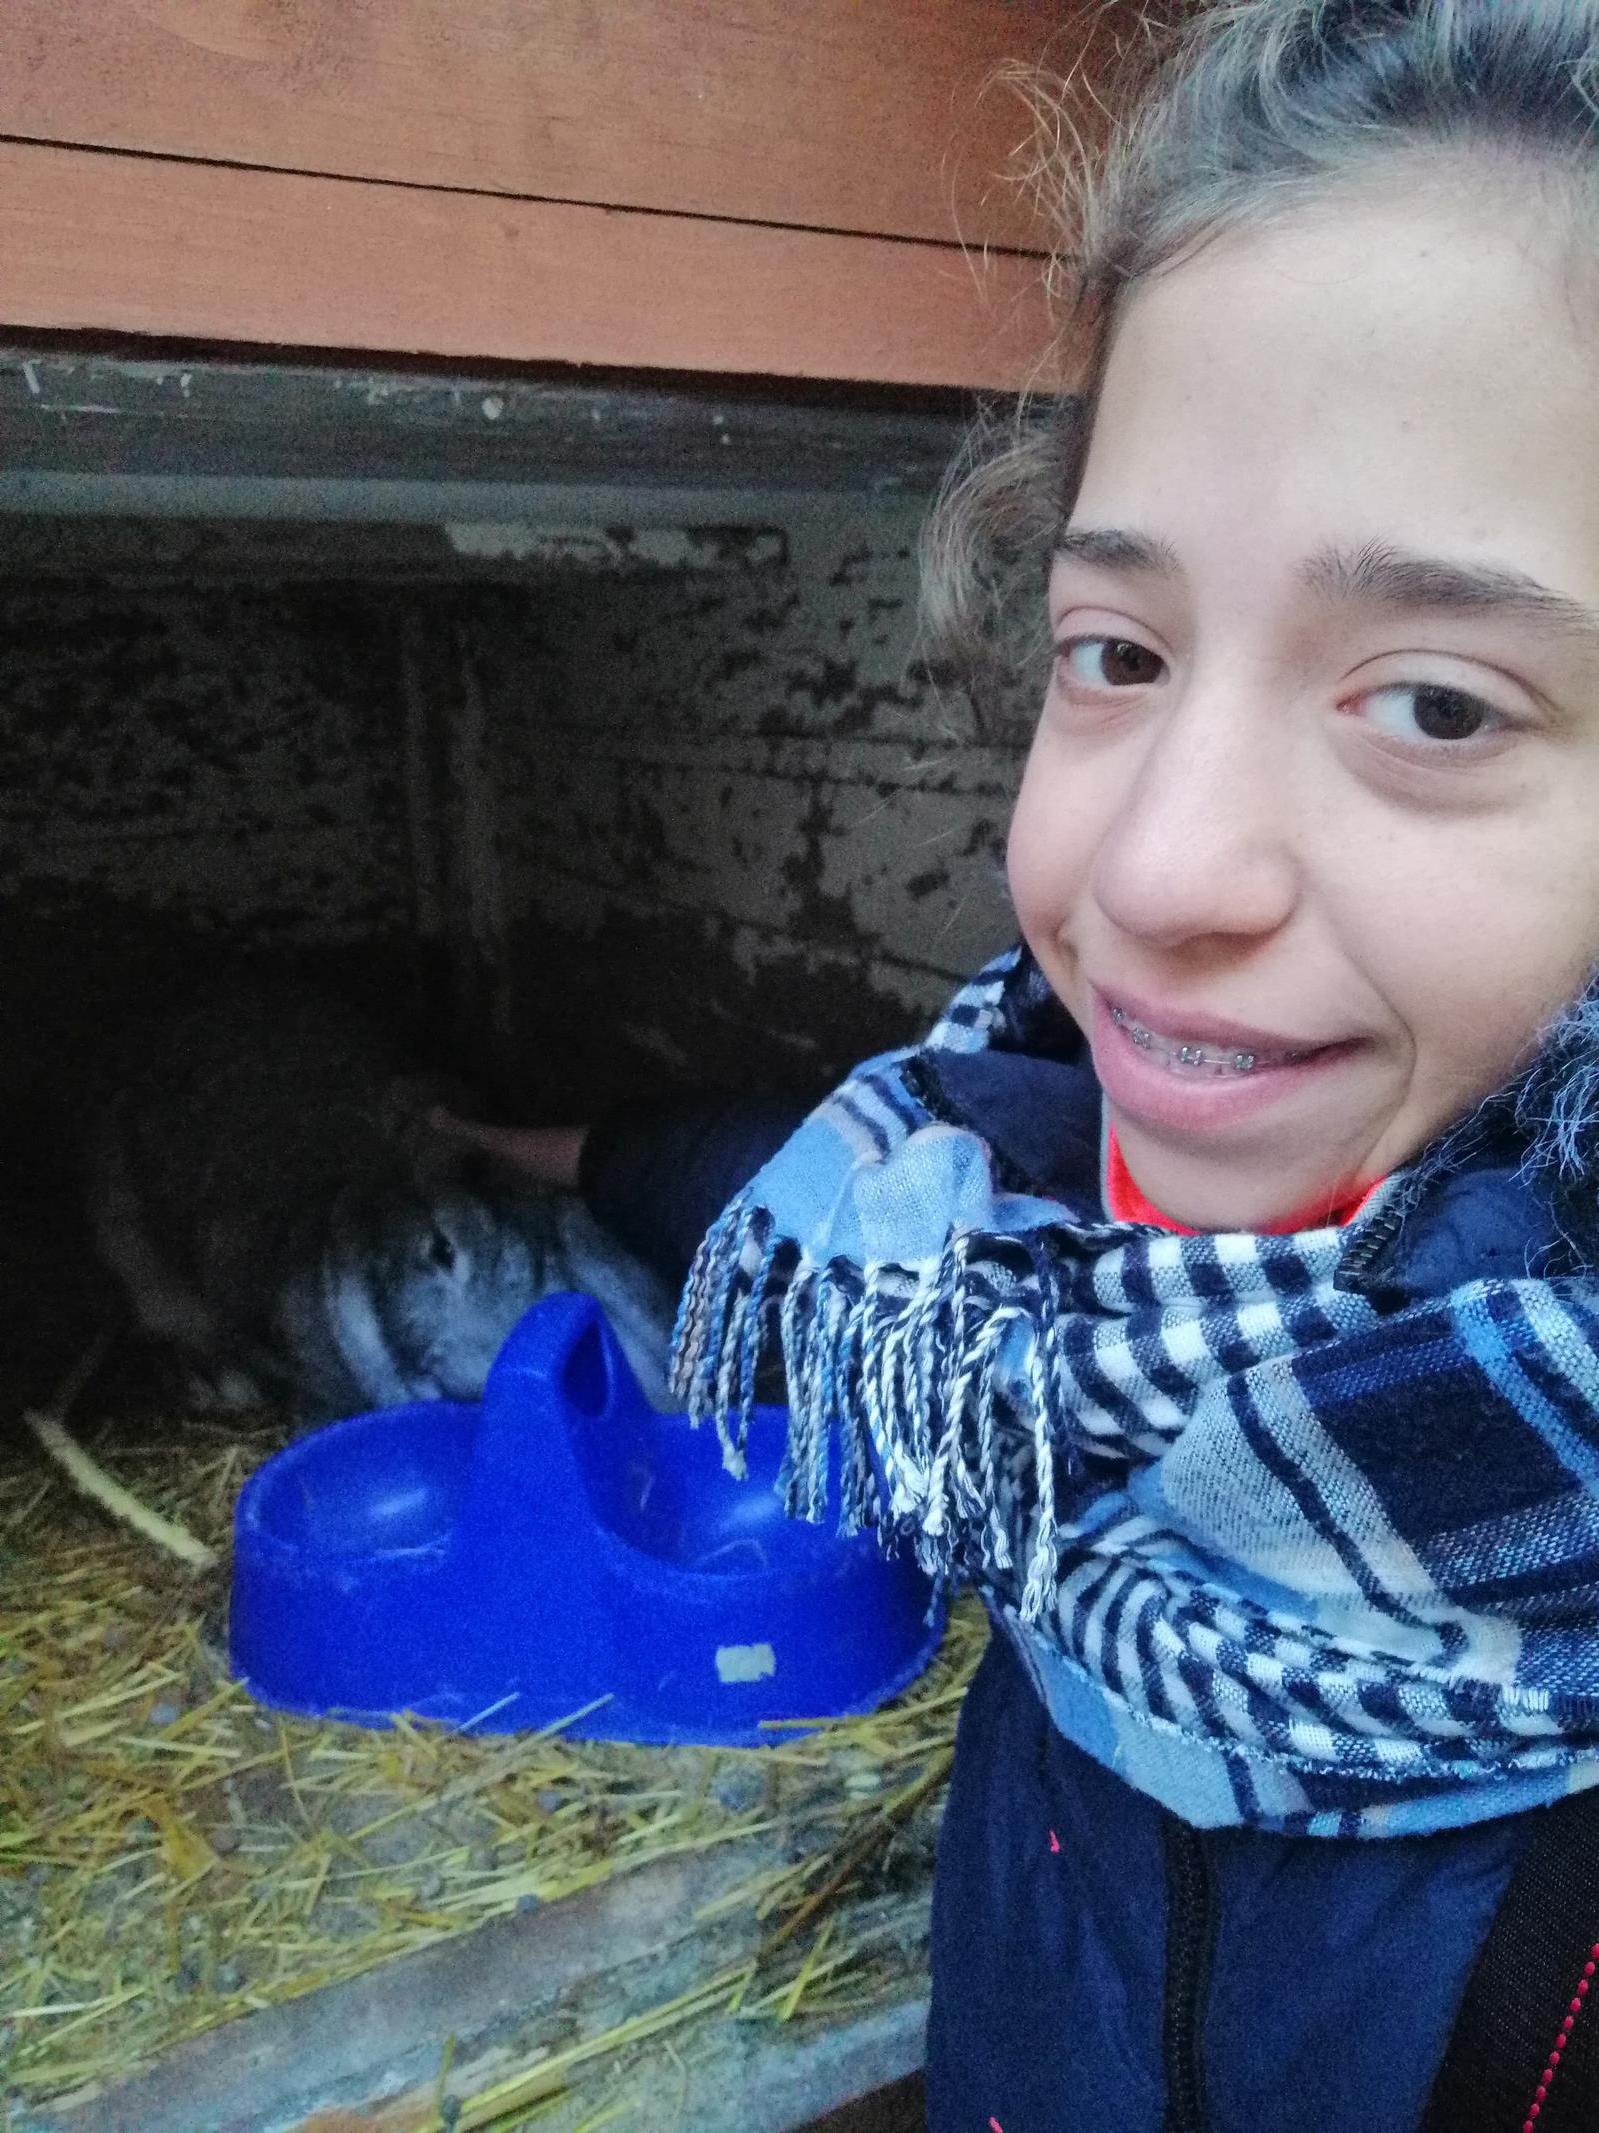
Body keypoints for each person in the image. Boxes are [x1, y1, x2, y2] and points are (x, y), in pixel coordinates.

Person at [453, 5, 1599, 2123]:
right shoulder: (1010, 1284)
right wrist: (502, 1143)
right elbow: (772, 1168)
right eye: (1118, 652)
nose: (1151, 869)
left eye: (1435, 703)